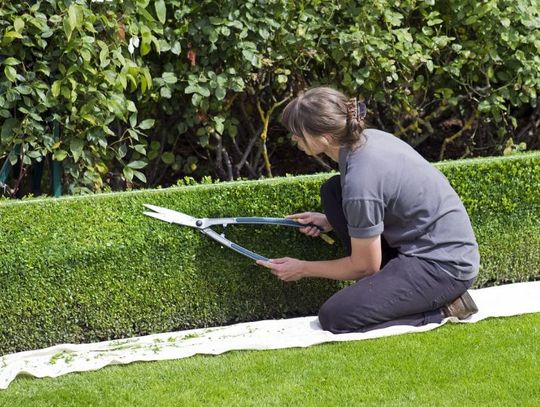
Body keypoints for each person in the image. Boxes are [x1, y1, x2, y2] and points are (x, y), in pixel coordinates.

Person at [256, 87, 480, 334]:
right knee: (332, 192)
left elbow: (365, 267)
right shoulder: (366, 140)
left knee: (335, 317)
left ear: (325, 137)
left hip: (443, 266)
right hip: (426, 245)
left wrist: (303, 268)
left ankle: (446, 308)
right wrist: (329, 220)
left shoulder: (361, 180)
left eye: (298, 134)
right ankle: (389, 290)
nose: (294, 140)